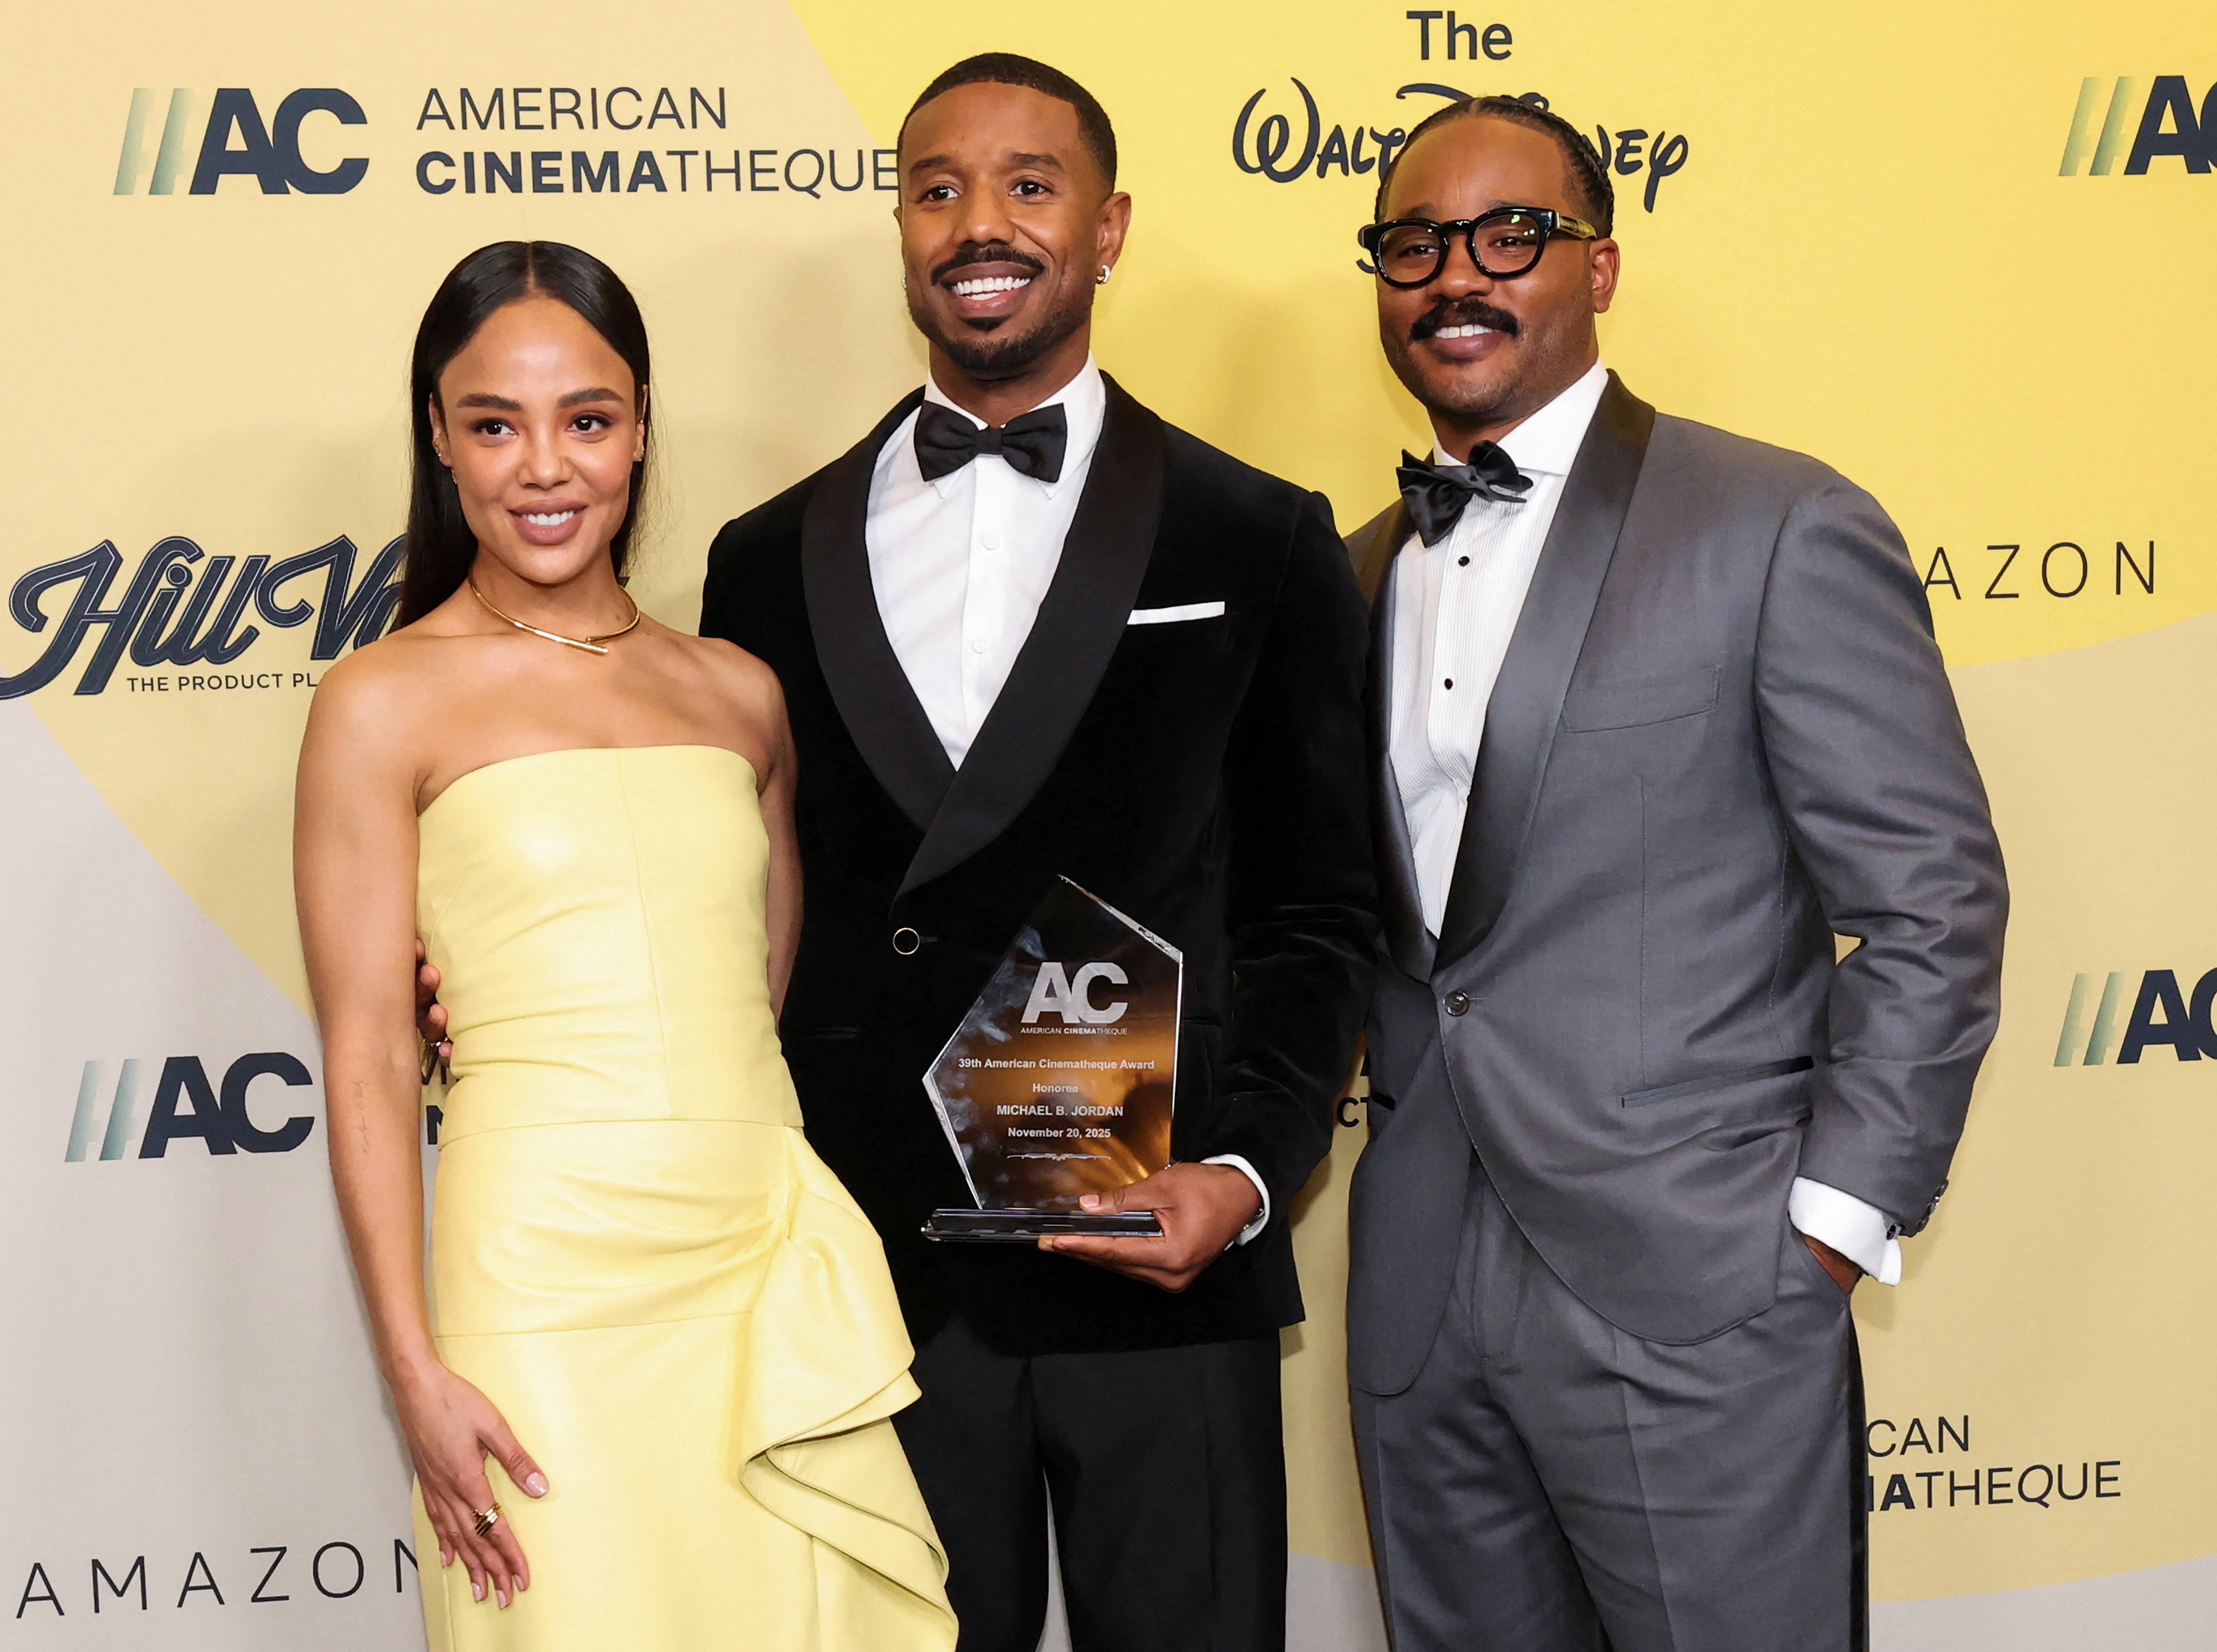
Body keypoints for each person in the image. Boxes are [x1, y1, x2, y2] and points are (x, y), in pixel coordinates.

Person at [695, 54, 1374, 1652]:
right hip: (874, 1273)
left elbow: (1318, 910)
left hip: (1158, 1251)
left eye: (1027, 184)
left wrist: (1247, 1176)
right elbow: (726, 896)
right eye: (936, 189)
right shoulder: (762, 558)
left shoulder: (1257, 533)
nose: (978, 225)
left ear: (1107, 226)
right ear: (902, 229)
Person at [1340, 98, 2007, 1651]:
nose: (1458, 274)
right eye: (1415, 244)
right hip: (1420, 1294)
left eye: (1512, 236)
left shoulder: (1775, 522)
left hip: (1701, 1277)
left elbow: (1931, 899)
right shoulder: (1358, 565)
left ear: (1601, 267)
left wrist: (1827, 1225)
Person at [298, 240, 954, 1652]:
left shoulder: (738, 694)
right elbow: (365, 1058)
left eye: (586, 419)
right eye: (495, 425)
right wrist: (412, 1368)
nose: (545, 468)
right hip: (538, 1277)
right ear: (439, 438)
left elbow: (753, 992)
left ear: (642, 426)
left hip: (758, 1256)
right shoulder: (378, 703)